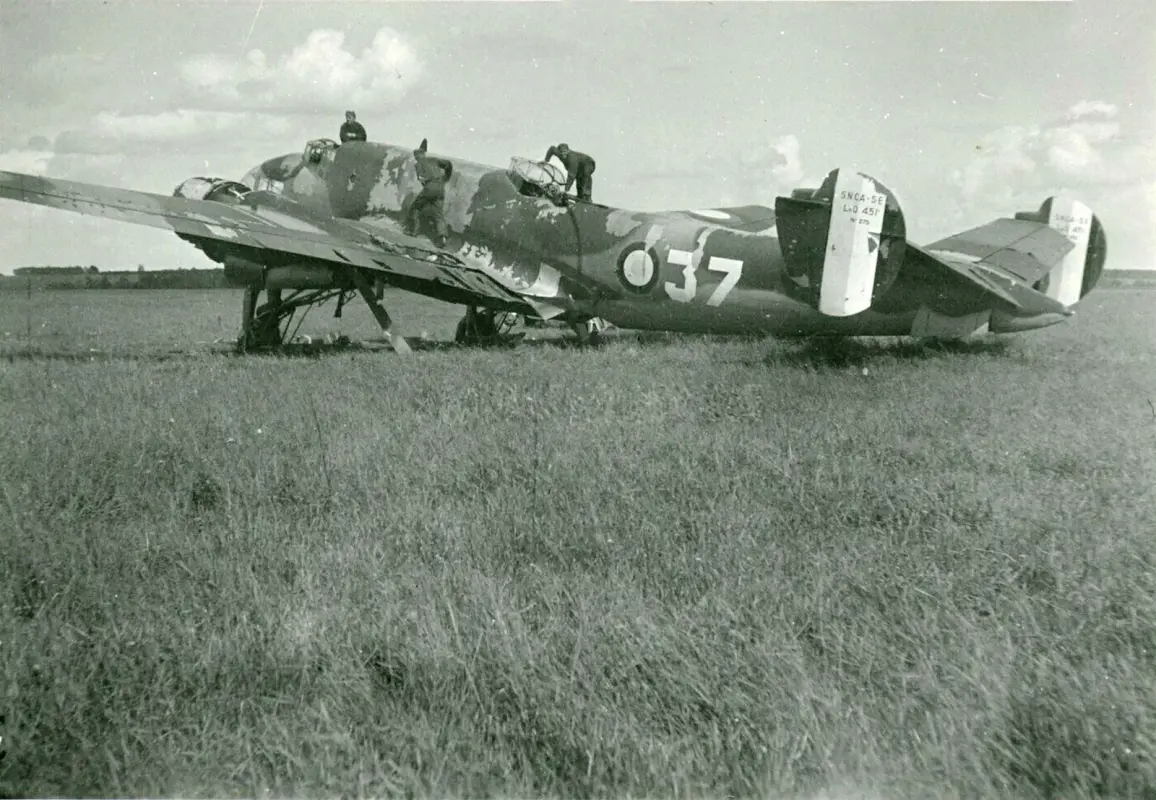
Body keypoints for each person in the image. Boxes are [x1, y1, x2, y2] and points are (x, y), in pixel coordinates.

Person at [404, 138, 452, 247]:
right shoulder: (434, 160)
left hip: (430, 187)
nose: (415, 158)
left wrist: (427, 189)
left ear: (419, 155)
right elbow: (448, 164)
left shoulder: (418, 165)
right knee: (439, 215)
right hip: (441, 188)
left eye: (416, 155)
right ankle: (442, 237)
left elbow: (422, 179)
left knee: (415, 207)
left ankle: (413, 231)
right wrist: (446, 177)